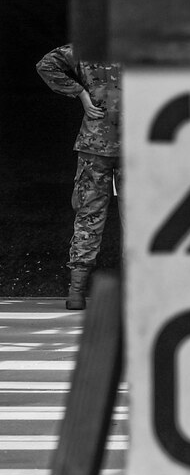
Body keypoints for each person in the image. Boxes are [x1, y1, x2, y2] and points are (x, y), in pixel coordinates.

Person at [36, 44, 123, 311]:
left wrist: (82, 94)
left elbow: (46, 64)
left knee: (89, 216)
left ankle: (77, 293)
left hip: (94, 144)